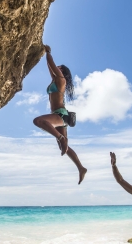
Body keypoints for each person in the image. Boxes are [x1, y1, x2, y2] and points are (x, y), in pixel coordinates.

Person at [33, 45, 87, 184]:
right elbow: (50, 67)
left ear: (62, 72)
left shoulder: (61, 80)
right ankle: (81, 168)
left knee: (38, 121)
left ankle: (61, 137)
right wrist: (46, 56)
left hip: (60, 115)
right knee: (63, 148)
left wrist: (48, 52)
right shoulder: (55, 80)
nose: (56, 68)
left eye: (59, 68)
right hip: (60, 116)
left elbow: (51, 65)